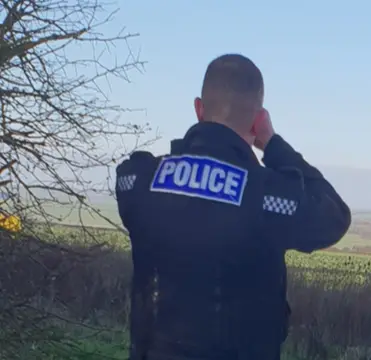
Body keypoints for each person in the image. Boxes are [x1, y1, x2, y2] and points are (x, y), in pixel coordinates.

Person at [114, 54, 352, 360]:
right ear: (257, 120)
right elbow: (334, 216)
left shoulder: (140, 180)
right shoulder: (266, 196)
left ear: (199, 109)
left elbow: (132, 182)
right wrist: (274, 145)